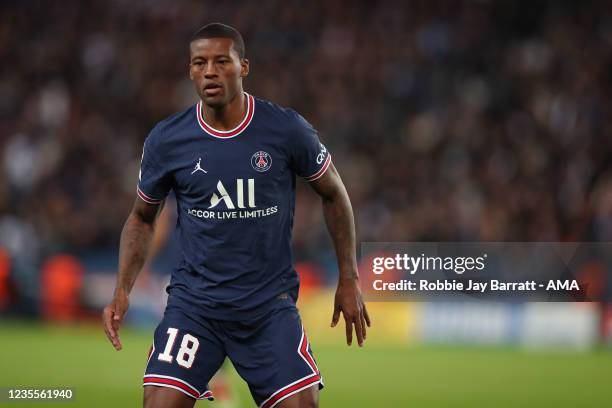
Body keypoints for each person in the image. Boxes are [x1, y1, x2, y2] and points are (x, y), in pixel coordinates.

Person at [102, 22, 370, 408]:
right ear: (190, 70)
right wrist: (122, 288)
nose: (210, 71)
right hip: (195, 309)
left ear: (243, 67)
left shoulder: (285, 129)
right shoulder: (167, 140)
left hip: (267, 310)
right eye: (199, 62)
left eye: (221, 61)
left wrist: (349, 277)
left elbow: (334, 194)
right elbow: (143, 217)